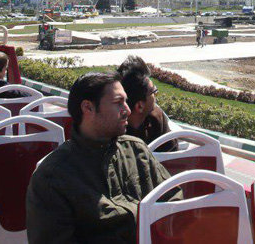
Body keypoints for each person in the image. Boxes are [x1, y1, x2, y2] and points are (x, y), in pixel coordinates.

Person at [26, 73, 177, 243]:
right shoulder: (53, 177)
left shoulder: (136, 150)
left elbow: (174, 200)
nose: (127, 110)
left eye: (125, 102)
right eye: (118, 102)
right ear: (88, 108)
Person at [116, 56, 177, 152]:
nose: (156, 95)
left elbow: (172, 155)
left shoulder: (156, 118)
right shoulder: (115, 133)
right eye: (153, 91)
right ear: (139, 106)